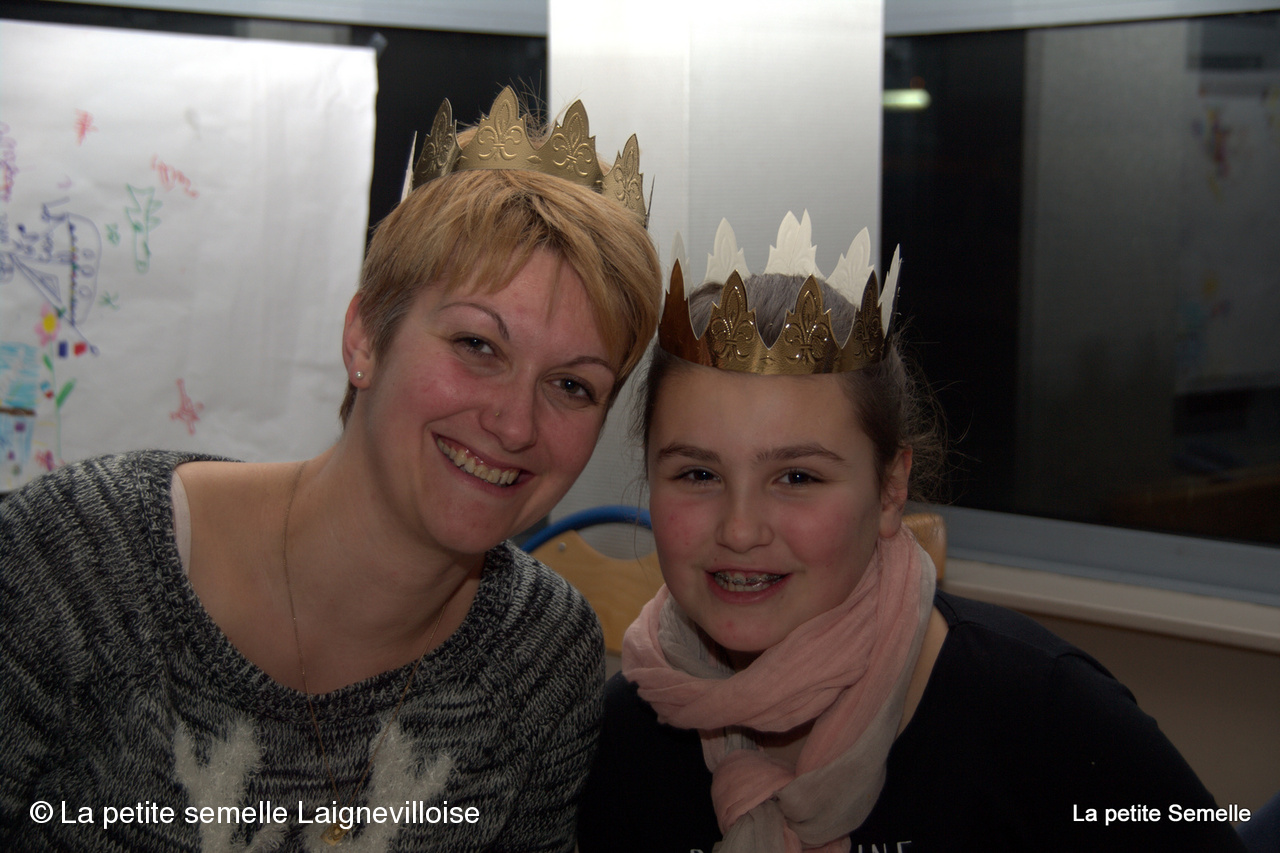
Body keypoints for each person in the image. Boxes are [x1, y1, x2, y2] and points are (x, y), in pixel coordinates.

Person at [0, 87, 661, 852]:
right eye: (477, 345)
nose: (515, 424)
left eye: (572, 385)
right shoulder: (80, 558)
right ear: (365, 338)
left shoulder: (541, 654)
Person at [576, 212, 1247, 852]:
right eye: (698, 473)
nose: (741, 528)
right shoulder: (624, 739)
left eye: (798, 477)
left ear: (891, 489)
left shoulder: (1047, 718)